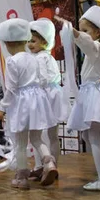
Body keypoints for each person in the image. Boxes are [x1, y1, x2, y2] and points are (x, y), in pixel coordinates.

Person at [0, 18, 58, 189]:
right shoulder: (34, 58)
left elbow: (11, 89)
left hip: (21, 103)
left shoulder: (12, 61)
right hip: (37, 100)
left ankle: (22, 178)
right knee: (37, 138)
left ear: (7, 43)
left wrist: (1, 109)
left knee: (20, 142)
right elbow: (42, 79)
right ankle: (49, 163)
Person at [62, 6, 100, 192]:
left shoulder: (98, 48)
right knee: (90, 136)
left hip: (96, 95)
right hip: (91, 93)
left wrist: (74, 32)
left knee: (94, 137)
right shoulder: (96, 50)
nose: (82, 33)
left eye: (86, 30)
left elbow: (86, 42)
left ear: (97, 32)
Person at [28, 18, 65, 183]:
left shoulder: (39, 58)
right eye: (29, 41)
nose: (30, 44)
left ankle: (42, 165)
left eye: (33, 41)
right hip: (55, 95)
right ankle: (51, 166)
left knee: (38, 133)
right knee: (52, 135)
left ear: (44, 41)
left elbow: (41, 79)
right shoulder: (49, 57)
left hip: (44, 96)